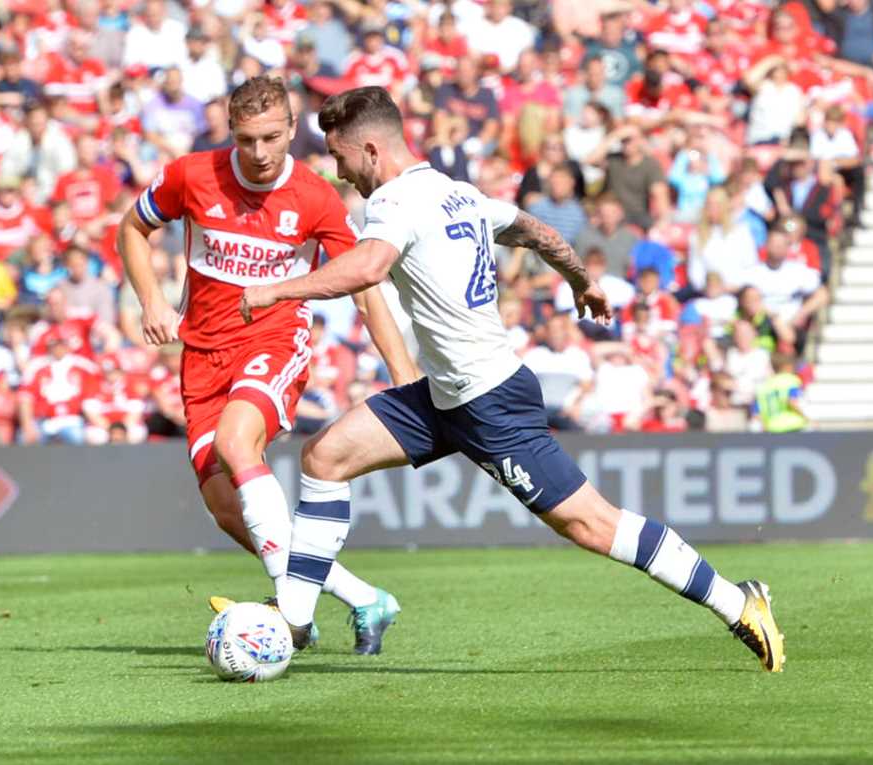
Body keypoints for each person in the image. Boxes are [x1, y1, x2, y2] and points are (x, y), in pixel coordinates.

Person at [240, 86, 785, 672]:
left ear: (370, 150)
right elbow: (537, 231)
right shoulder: (457, 194)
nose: (343, 174)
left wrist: (275, 289)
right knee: (325, 458)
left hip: (490, 402)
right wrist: (582, 280)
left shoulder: (394, 202)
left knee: (591, 524)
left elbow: (368, 267)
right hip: (446, 395)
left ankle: (738, 602)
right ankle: (293, 621)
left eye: (343, 160)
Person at [118, 76, 418, 654]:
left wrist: (401, 371)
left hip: (274, 341)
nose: (259, 153)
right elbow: (133, 227)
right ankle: (364, 599)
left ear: (292, 128)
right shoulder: (191, 175)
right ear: (231, 130)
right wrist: (152, 299)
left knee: (238, 444)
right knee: (226, 509)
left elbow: (363, 286)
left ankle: (289, 613)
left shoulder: (314, 196)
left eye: (272, 138)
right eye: (247, 139)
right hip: (202, 354)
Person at [754, 351, 806, 433]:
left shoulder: (763, 386)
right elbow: (792, 402)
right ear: (787, 366)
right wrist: (806, 417)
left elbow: (757, 413)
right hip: (792, 426)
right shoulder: (791, 380)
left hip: (771, 429)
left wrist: (765, 426)